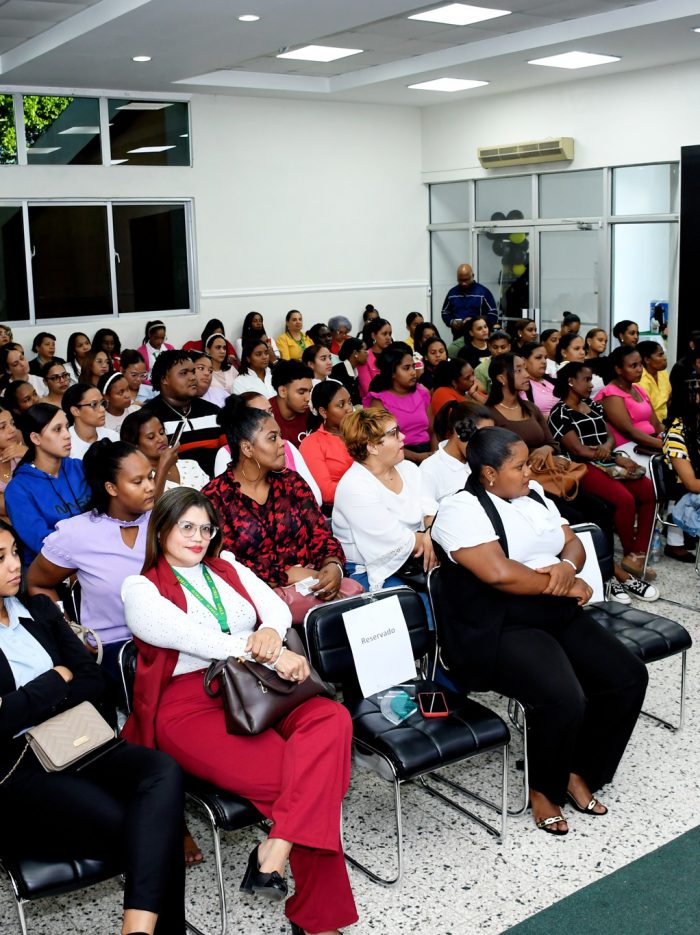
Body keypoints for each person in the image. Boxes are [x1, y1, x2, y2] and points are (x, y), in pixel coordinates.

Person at [121, 488, 358, 935]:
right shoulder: (140, 587)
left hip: (257, 686)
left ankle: (277, 845)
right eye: (186, 527)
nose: (198, 537)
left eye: (205, 528)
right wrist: (267, 651)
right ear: (162, 529)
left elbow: (275, 608)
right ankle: (319, 923)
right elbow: (187, 636)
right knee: (302, 782)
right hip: (190, 704)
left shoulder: (227, 565)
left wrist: (270, 632)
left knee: (333, 719)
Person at [431, 426, 648, 835]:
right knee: (563, 696)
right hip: (498, 624)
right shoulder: (460, 509)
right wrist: (565, 583)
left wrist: (566, 568)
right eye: (519, 466)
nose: (530, 472)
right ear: (489, 474)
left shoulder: (533, 495)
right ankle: (544, 789)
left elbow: (572, 542)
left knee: (627, 677)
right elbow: (500, 573)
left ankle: (579, 770)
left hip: (553, 608)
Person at [0, 520, 187, 935]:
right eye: (1, 558)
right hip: (19, 765)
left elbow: (91, 679)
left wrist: (33, 699)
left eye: (14, 553)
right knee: (149, 827)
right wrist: (55, 680)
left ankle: (136, 929)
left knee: (163, 771)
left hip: (77, 736)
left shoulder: (39, 609)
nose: (15, 565)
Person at [27, 439, 170, 678]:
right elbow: (37, 583)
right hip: (116, 649)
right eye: (138, 481)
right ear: (111, 488)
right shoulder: (78, 533)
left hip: (170, 637)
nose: (150, 487)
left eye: (151, 477)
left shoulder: (164, 521)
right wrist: (71, 631)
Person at [202, 404, 346, 601]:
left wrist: (333, 565)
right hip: (257, 599)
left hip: (314, 584)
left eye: (280, 436)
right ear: (247, 448)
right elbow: (224, 562)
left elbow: (320, 535)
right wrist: (286, 575)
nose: (282, 443)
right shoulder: (215, 497)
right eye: (272, 438)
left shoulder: (292, 482)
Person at [548, 362, 660, 593]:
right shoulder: (559, 413)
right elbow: (577, 449)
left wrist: (608, 449)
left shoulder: (591, 404)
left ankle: (636, 555)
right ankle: (629, 551)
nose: (592, 385)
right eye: (587, 380)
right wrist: (612, 456)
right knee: (624, 499)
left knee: (649, 491)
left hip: (608, 460)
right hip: (582, 466)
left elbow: (609, 435)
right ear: (571, 382)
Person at [333, 407, 437, 594]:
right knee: (423, 606)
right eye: (394, 433)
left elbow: (430, 512)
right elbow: (397, 542)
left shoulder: (409, 468)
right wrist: (434, 537)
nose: (403, 437)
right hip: (372, 569)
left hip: (418, 555)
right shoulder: (354, 487)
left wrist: (431, 532)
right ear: (372, 447)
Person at [5, 404, 90, 564]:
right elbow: (42, 543)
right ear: (35, 438)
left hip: (96, 555)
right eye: (57, 429)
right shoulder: (18, 489)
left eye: (67, 427)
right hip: (54, 568)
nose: (67, 435)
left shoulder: (79, 467)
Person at [213, 394, 322, 505]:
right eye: (261, 413)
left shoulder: (291, 479)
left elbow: (315, 499)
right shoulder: (219, 490)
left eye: (270, 411)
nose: (270, 417)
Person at [141, 351, 223, 477]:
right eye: (184, 373)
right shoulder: (147, 418)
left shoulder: (213, 412)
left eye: (193, 372)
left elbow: (228, 455)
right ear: (164, 379)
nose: (193, 378)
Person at [594, 345, 664, 470]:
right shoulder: (611, 394)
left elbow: (657, 425)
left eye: (640, 364)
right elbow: (629, 432)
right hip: (628, 449)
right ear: (618, 369)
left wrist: (672, 438)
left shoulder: (639, 390)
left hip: (649, 445)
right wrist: (663, 445)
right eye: (633, 366)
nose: (640, 369)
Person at [365, 342, 434, 464]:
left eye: (413, 367)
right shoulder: (379, 402)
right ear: (392, 373)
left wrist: (434, 456)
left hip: (427, 452)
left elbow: (433, 431)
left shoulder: (422, 392)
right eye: (406, 368)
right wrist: (416, 457)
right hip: (399, 457)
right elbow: (382, 441)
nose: (413, 372)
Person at [420, 400, 494, 511]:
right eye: (479, 436)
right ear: (458, 430)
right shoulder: (429, 469)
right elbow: (428, 515)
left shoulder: (484, 460)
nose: (484, 443)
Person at [121, 409, 210, 492]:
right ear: (135, 446)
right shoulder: (136, 478)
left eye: (162, 432)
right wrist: (163, 467)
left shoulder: (191, 465)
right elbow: (152, 503)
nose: (161, 439)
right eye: (151, 437)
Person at [299, 381, 354, 508]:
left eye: (350, 402)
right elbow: (327, 493)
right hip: (341, 508)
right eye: (341, 405)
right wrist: (368, 487)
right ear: (323, 412)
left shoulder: (362, 432)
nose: (349, 409)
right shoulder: (312, 444)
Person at [63, 383, 120, 460]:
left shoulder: (112, 437)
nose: (102, 409)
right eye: (94, 404)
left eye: (102, 403)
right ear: (75, 411)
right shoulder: (65, 442)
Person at [441, 263, 497, 331]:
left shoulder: (483, 292)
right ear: (457, 278)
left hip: (478, 333)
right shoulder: (452, 293)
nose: (463, 283)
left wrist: (475, 320)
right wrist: (451, 322)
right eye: (460, 280)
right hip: (458, 333)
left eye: (466, 280)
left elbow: (493, 314)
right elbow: (445, 312)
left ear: (472, 276)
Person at [270, 359, 313, 447]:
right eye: (301, 392)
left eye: (309, 391)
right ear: (282, 391)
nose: (308, 398)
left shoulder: (312, 413)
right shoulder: (265, 417)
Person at [0, 405, 26, 519]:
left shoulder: (19, 446)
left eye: (12, 423)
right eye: (2, 427)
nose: (12, 430)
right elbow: (8, 507)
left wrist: (29, 454)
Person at [357, 317, 392, 399]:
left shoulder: (392, 355)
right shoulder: (364, 357)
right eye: (384, 334)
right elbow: (368, 390)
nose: (388, 337)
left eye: (390, 334)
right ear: (373, 336)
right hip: (373, 403)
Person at [637, 340, 671, 424]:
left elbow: (669, 399)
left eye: (663, 354)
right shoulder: (639, 379)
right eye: (660, 355)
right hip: (649, 424)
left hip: (666, 421)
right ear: (647, 360)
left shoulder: (662, 372)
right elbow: (646, 412)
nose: (664, 358)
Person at [520, 342, 557, 419]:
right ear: (524, 361)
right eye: (538, 357)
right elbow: (529, 415)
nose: (544, 361)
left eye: (545, 358)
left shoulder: (552, 379)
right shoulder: (522, 385)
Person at [330, 337, 367, 406]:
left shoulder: (354, 370)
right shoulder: (338, 371)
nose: (367, 353)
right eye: (365, 350)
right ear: (355, 353)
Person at [474, 330, 511, 395]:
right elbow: (480, 395)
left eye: (503, 347)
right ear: (489, 347)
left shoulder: (517, 364)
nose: (499, 351)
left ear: (509, 347)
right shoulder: (480, 370)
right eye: (495, 347)